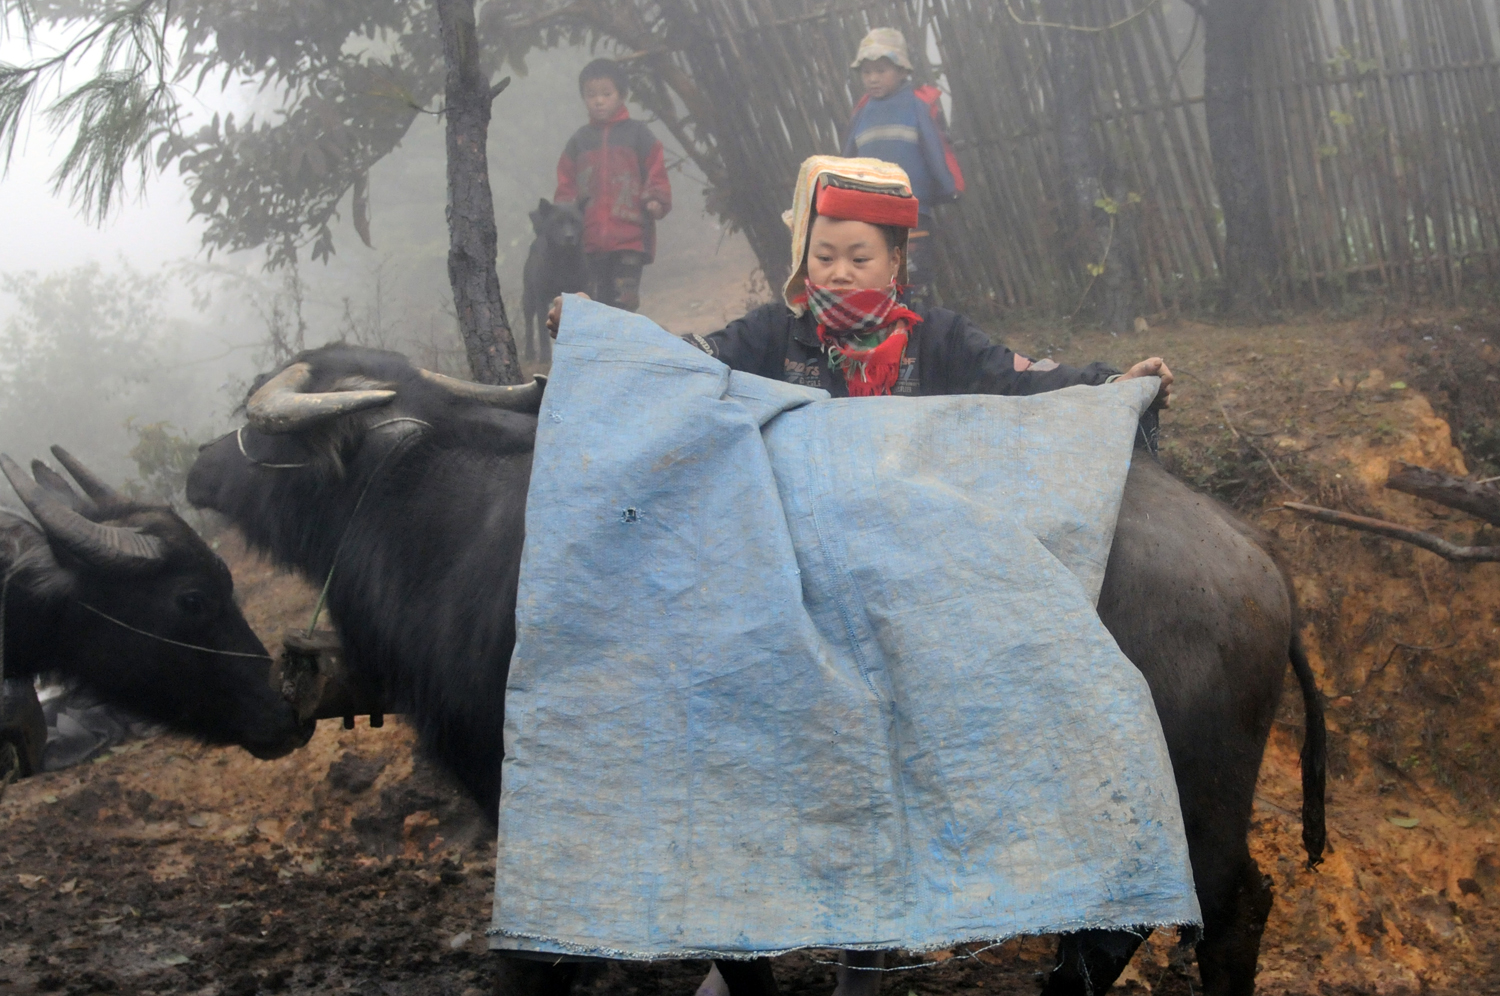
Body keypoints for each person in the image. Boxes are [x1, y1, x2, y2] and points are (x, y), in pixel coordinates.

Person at [549, 155, 1171, 996]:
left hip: (904, 590)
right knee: (744, 746)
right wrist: (601, 338)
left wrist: (1109, 385)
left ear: (896, 265)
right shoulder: (772, 336)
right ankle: (741, 952)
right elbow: (686, 366)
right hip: (790, 585)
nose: (839, 272)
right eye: (825, 255)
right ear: (804, 260)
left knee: (888, 760)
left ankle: (866, 955)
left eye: (860, 257)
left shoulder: (941, 341)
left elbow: (1024, 384)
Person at [842, 28, 964, 306]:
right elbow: (847, 160)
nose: (872, 78)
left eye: (881, 70)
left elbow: (935, 149)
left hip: (912, 212)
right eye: (866, 72)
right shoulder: (862, 112)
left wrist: (948, 187)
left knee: (915, 278)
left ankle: (921, 336)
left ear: (901, 71)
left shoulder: (916, 106)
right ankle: (888, 339)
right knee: (877, 280)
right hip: (870, 217)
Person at [555, 58, 672, 312]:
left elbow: (656, 168)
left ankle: (624, 350)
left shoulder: (638, 134)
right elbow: (566, 184)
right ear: (583, 98)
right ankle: (604, 351)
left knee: (624, 303)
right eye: (591, 95)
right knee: (595, 304)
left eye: (606, 94)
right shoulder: (579, 142)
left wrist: (656, 199)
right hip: (588, 240)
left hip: (630, 236)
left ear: (621, 95)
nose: (599, 101)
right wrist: (563, 217)